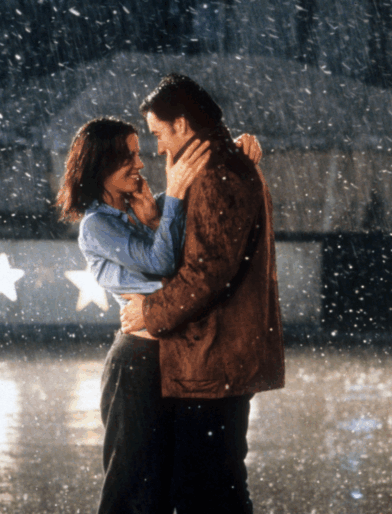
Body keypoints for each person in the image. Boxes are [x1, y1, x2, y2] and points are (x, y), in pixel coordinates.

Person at [54, 116, 262, 514]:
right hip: (137, 361)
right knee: (132, 485)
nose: (140, 164)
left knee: (170, 485)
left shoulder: (141, 210)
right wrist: (173, 199)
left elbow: (201, 190)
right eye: (127, 157)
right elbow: (161, 258)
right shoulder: (97, 225)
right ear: (98, 166)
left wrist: (235, 151)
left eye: (137, 153)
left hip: (174, 359)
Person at [120, 74, 285, 514]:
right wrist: (160, 218)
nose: (157, 149)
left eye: (158, 134)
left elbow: (209, 274)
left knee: (211, 490)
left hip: (214, 361)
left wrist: (148, 311)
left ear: (182, 124)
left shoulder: (216, 173)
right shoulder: (223, 164)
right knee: (213, 485)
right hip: (213, 358)